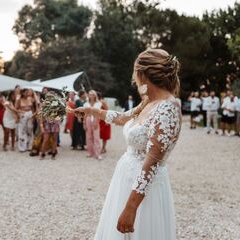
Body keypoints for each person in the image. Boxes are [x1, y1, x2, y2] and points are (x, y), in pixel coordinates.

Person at [74, 49, 182, 240]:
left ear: (143, 74)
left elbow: (153, 161)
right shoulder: (149, 101)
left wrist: (131, 208)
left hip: (145, 191)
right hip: (126, 178)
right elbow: (123, 118)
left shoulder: (168, 108)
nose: (134, 78)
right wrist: (90, 110)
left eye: (135, 72)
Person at [84, 90, 102, 160]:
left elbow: (99, 114)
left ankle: (98, 154)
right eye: (90, 94)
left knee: (96, 137)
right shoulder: (86, 104)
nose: (91, 96)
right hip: (88, 119)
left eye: (92, 94)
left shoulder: (99, 103)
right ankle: (90, 152)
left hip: (96, 119)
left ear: (95, 96)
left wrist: (96, 121)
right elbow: (85, 114)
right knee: (88, 137)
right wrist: (84, 123)